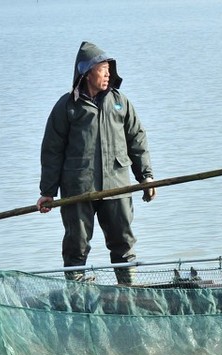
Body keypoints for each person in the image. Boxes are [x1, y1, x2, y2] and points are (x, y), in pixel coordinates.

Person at [37, 41, 156, 284]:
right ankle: (76, 292)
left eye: (109, 68)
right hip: (79, 189)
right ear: (86, 72)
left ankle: (129, 290)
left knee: (123, 243)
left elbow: (137, 139)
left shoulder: (119, 101)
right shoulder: (66, 107)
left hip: (117, 186)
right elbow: (52, 151)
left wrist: (146, 177)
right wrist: (47, 191)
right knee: (76, 245)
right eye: (103, 68)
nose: (108, 73)